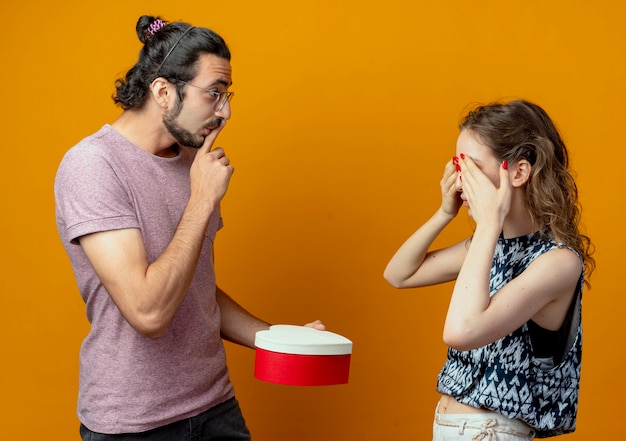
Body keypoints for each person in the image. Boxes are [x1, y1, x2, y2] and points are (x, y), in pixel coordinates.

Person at [55, 15, 324, 440]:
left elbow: (193, 286)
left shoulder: (189, 164)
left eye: (227, 95)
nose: (226, 112)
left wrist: (278, 338)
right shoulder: (93, 166)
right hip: (135, 424)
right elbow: (149, 311)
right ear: (163, 91)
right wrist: (201, 200)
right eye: (214, 94)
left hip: (215, 407)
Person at [384, 99, 594, 440]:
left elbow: (461, 332)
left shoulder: (557, 262)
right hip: (451, 426)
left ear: (519, 172)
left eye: (472, 168)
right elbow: (398, 274)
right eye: (457, 166)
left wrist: (487, 224)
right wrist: (444, 214)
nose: (460, 179)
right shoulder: (488, 245)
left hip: (492, 432)